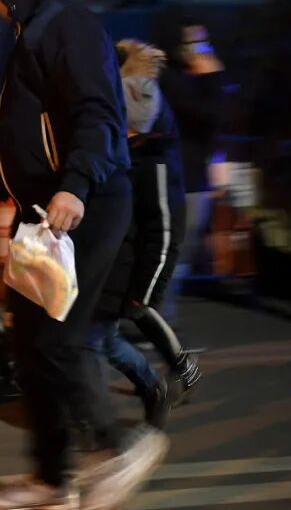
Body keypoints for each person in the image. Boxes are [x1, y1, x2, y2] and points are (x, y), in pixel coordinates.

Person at [0, 0, 167, 510]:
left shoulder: (70, 26)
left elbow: (97, 112)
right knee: (29, 342)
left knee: (58, 338)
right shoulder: (32, 34)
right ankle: (52, 480)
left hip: (85, 206)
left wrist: (74, 184)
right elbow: (23, 137)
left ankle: (118, 447)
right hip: (43, 213)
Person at [97, 40, 201, 429]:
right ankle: (164, 375)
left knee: (140, 304)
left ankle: (183, 367)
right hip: (136, 233)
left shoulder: (153, 150)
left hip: (155, 235)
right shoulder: (142, 134)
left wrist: (154, 264)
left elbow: (163, 218)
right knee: (128, 309)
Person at [149, 19, 226, 323]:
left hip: (193, 175)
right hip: (176, 177)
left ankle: (161, 320)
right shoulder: (170, 80)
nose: (201, 50)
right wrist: (213, 77)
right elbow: (209, 115)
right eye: (194, 43)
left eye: (204, 43)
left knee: (181, 252)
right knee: (172, 252)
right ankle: (157, 322)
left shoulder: (188, 80)